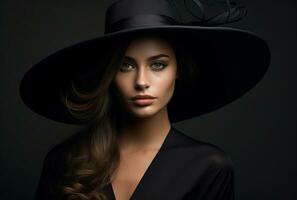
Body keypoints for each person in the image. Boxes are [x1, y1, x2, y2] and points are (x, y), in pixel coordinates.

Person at [19, 0, 270, 200]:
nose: (141, 81)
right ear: (109, 75)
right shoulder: (65, 162)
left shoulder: (208, 167)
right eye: (125, 65)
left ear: (178, 70)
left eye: (158, 65)